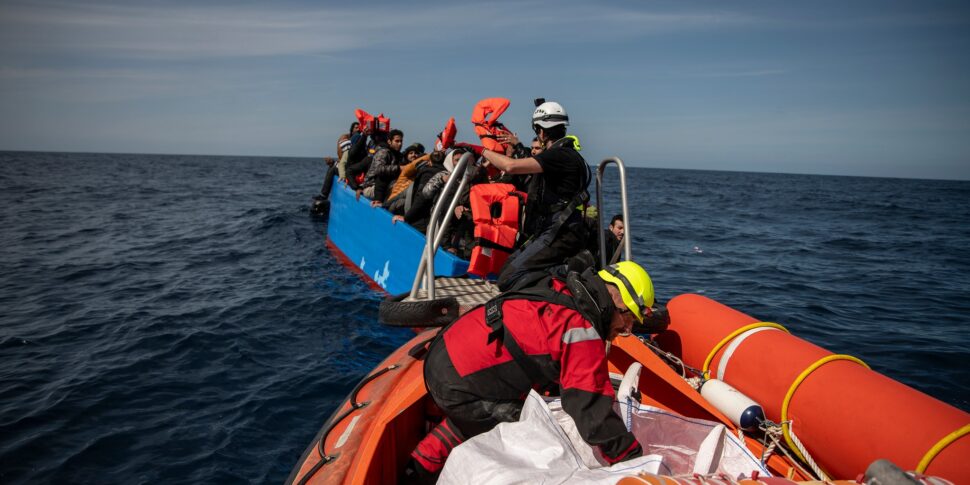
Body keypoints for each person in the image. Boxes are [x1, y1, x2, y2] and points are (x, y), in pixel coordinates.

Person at [404, 261, 654, 483]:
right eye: (628, 318)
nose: (626, 328)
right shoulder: (581, 329)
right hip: (462, 383)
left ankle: (416, 471)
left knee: (474, 419)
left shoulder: (563, 288)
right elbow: (590, 411)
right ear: (617, 301)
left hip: (447, 361)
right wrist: (632, 460)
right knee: (541, 440)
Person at [480, 99, 591, 291]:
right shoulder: (563, 154)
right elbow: (528, 164)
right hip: (557, 228)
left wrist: (482, 151)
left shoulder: (559, 155)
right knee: (506, 269)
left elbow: (510, 166)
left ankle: (568, 271)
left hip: (561, 233)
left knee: (508, 279)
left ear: (541, 131)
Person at [361, 129, 404, 206]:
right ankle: (380, 203)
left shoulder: (399, 156)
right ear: (389, 141)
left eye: (401, 141)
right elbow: (378, 169)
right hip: (372, 187)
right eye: (397, 141)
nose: (400, 144)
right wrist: (398, 168)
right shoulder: (384, 152)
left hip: (385, 187)